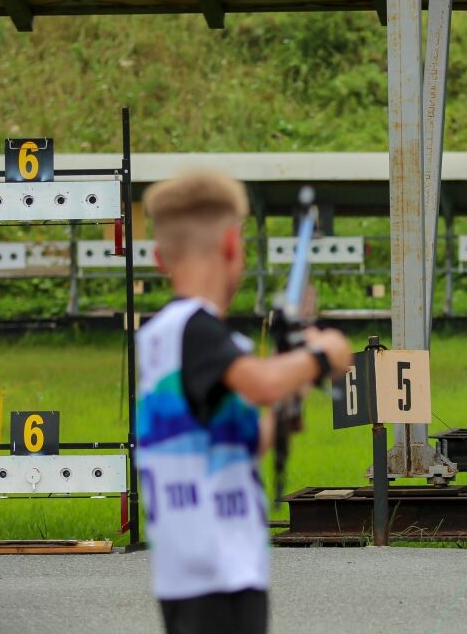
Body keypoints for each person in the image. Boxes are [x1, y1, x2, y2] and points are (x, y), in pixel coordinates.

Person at [136, 171, 351, 634]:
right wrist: (320, 355)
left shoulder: (177, 341)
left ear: (158, 258)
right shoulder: (192, 329)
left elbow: (248, 438)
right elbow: (261, 384)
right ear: (233, 246)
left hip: (214, 565)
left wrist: (288, 395)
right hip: (212, 568)